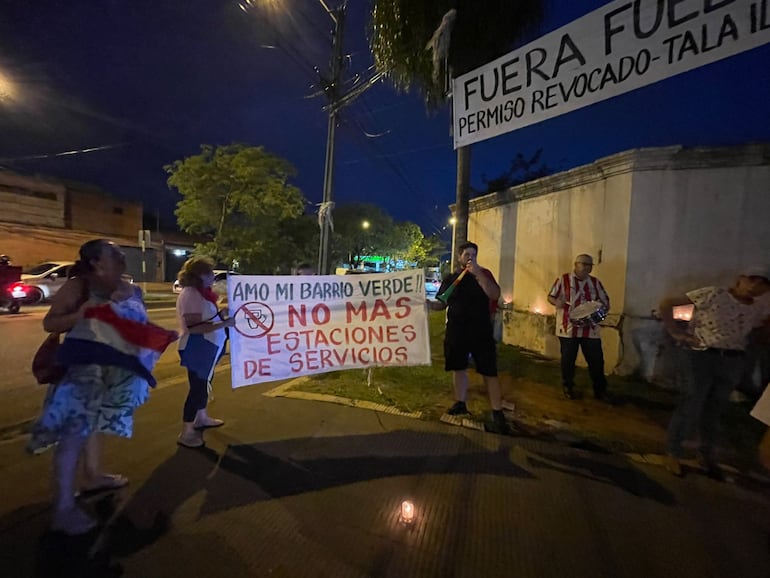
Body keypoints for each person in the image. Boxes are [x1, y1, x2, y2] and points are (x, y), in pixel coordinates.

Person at [28, 239, 177, 535]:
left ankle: (93, 475)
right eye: (115, 253)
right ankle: (63, 509)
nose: (122, 257)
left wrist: (158, 338)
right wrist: (79, 314)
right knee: (73, 434)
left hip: (116, 372)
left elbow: (136, 325)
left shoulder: (132, 288)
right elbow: (51, 323)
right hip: (82, 371)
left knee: (95, 425)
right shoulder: (79, 286)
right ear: (97, 261)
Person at [659, 266, 770, 479]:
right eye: (753, 280)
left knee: (715, 410)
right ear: (740, 279)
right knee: (691, 404)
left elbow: (757, 332)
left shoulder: (757, 309)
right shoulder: (713, 294)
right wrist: (677, 332)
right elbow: (669, 305)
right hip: (701, 356)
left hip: (732, 361)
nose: (756, 287)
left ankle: (707, 456)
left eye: (763, 285)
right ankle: (673, 453)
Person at [429, 241, 506, 433]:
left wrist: (478, 273)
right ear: (459, 257)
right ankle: (460, 402)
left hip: (481, 331)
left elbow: (494, 294)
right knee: (458, 368)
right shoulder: (451, 279)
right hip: (457, 330)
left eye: (474, 254)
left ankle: (497, 412)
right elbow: (441, 303)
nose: (470, 257)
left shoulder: (484, 275)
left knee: (489, 371)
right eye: (466, 254)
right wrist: (428, 305)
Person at [176, 257, 235, 448]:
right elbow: (194, 327)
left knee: (204, 383)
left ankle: (201, 418)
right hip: (197, 346)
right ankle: (186, 432)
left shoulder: (201, 293)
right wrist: (224, 323)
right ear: (200, 275)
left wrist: (221, 314)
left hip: (208, 346)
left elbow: (206, 318)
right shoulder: (191, 294)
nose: (213, 277)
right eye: (210, 273)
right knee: (198, 388)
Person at [547, 254, 611, 401]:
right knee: (568, 360)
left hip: (591, 329)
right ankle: (568, 387)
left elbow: (605, 301)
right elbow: (551, 296)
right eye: (585, 264)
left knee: (596, 361)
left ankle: (600, 390)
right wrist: (557, 302)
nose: (588, 267)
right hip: (568, 328)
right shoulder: (563, 280)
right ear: (576, 265)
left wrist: (598, 311)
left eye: (590, 265)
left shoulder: (595, 282)